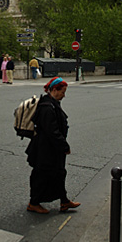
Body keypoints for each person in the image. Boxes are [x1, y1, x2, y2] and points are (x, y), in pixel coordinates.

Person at [25, 77, 81, 214]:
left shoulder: (50, 103)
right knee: (42, 175)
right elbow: (52, 131)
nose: (64, 95)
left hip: (50, 148)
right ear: (54, 90)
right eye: (63, 92)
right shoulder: (47, 107)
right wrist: (64, 146)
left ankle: (64, 201)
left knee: (59, 173)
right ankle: (34, 203)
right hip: (46, 149)